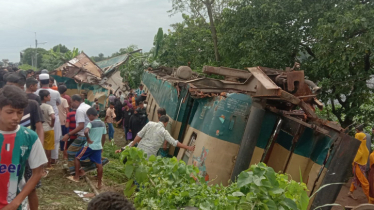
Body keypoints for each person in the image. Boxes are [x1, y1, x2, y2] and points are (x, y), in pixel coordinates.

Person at [0, 85, 47, 209]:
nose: (16, 117)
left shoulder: (30, 137)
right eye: (10, 112)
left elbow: (37, 173)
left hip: (16, 204)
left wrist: (16, 203)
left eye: (20, 112)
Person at [120, 115, 194, 159]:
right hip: (149, 155)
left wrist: (129, 146)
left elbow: (138, 136)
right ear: (166, 123)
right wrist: (188, 147)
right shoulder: (164, 132)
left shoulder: (149, 124)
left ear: (159, 120)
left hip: (139, 150)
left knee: (136, 167)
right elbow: (174, 143)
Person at [68, 108, 106, 187]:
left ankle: (76, 177)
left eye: (88, 116)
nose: (88, 118)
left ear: (91, 115)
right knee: (99, 164)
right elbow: (104, 136)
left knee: (77, 158)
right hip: (98, 146)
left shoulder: (91, 123)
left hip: (89, 146)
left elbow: (85, 131)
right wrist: (101, 146)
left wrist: (88, 138)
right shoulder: (103, 124)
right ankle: (99, 183)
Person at [35, 73, 62, 164]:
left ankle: (41, 160)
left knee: (40, 139)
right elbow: (59, 102)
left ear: (40, 81)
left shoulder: (36, 92)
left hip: (39, 117)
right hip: (53, 117)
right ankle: (53, 159)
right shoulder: (55, 92)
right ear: (50, 81)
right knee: (55, 138)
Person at [62, 94, 91, 174]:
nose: (71, 104)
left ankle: (74, 171)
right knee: (80, 153)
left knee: (70, 152)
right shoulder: (88, 106)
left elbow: (81, 126)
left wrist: (68, 134)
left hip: (82, 135)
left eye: (71, 102)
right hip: (89, 134)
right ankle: (80, 170)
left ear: (76, 101)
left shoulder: (80, 110)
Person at [349, 126, 370, 200]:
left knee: (357, 179)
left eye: (365, 139)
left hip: (359, 165)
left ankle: (350, 192)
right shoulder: (364, 149)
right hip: (360, 165)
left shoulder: (360, 149)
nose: (364, 140)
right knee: (364, 182)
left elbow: (356, 158)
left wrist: (353, 161)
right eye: (363, 139)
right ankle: (370, 199)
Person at [39, 90, 56, 168]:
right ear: (45, 97)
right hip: (48, 128)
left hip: (39, 129)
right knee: (48, 147)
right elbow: (53, 117)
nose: (50, 97)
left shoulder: (37, 105)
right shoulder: (48, 107)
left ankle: (40, 164)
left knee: (40, 146)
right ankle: (48, 164)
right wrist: (52, 124)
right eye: (49, 95)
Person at [58, 85, 70, 154]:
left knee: (59, 134)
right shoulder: (64, 100)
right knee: (64, 134)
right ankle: (64, 147)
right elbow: (67, 111)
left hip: (57, 120)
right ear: (64, 92)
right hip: (64, 120)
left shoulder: (55, 99)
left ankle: (61, 147)